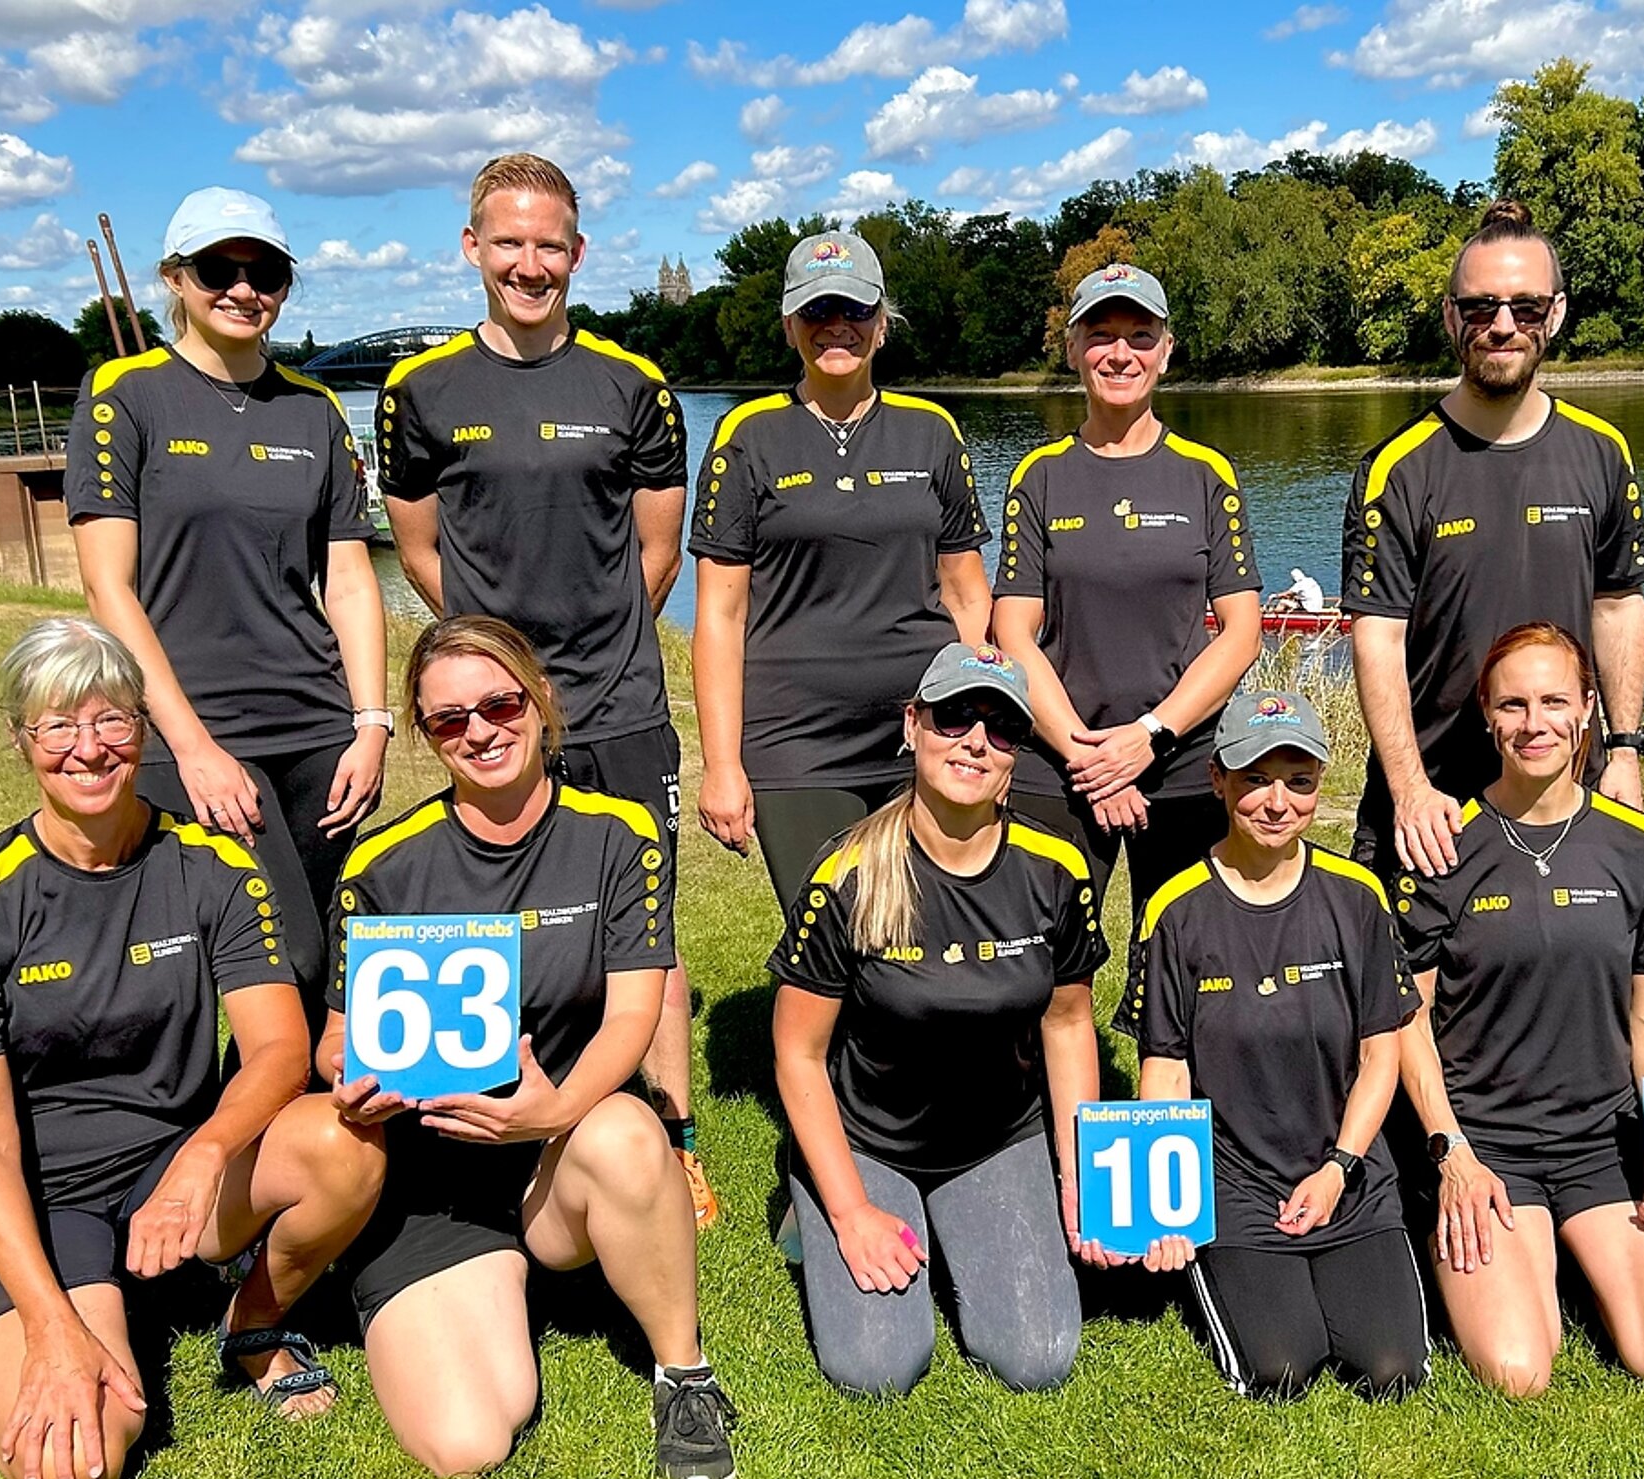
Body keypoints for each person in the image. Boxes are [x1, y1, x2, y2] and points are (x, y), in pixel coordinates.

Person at [0, 619, 382, 1479]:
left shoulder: (213, 865)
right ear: (22, 740)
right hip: (39, 1196)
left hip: (169, 1169)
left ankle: (252, 1319)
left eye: (113, 720)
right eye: (58, 726)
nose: (89, 748)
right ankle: (87, 1303)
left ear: (145, 727)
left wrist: (204, 1155)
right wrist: (50, 1326)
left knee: (342, 1142)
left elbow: (279, 1048)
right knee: (76, 1467)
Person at [318, 616, 737, 1479]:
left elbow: (634, 1012)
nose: (480, 729)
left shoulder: (620, 835)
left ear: (540, 700)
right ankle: (452, 1291)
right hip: (435, 1180)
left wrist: (551, 1110)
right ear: (428, 735)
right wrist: (349, 1084)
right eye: (448, 719)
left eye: (500, 702)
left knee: (627, 1132)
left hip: (561, 1146)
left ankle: (684, 1377)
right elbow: (336, 1037)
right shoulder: (383, 865)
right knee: (470, 1441)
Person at [377, 153, 712, 1229]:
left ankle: (670, 1133)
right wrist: (494, 668)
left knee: (643, 923)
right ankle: (495, 1110)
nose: (530, 263)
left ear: (578, 251)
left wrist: (593, 648)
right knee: (494, 904)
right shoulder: (418, 391)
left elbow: (658, 554)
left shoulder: (634, 386)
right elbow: (420, 549)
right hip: (491, 710)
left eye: (549, 243)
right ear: (472, 250)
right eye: (507, 242)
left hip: (618, 701)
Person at [70, 184, 388, 1025]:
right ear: (175, 277)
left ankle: (305, 1147)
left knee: (314, 958)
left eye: (267, 273)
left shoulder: (315, 410)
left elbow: (350, 580)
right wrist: (194, 745)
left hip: (320, 734)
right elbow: (110, 587)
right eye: (220, 269)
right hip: (199, 729)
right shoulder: (125, 394)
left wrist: (372, 723)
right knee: (283, 959)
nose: (245, 290)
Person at [1393, 625, 1644, 1406]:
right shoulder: (1446, 847)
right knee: (1519, 1371)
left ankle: (1580, 1260)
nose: (1533, 721)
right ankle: (1529, 1261)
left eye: (1552, 700)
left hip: (1605, 1148)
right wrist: (1452, 1155)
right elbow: (1408, 1019)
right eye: (1512, 703)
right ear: (1487, 714)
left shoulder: (1638, 845)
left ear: (1586, 710)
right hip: (1489, 1147)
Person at [770, 643, 1104, 1397]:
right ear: (913, 724)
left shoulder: (1058, 867)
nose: (975, 740)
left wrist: (1078, 1167)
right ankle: (816, 1201)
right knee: (877, 1367)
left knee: (1039, 1355)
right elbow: (796, 1053)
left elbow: (1069, 1022)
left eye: (1001, 726)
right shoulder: (845, 874)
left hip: (995, 1138)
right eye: (954, 715)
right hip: (872, 1143)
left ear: (1018, 751)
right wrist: (851, 1209)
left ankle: (960, 1222)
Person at [1118, 689, 1430, 1400]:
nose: (1277, 801)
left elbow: (1383, 1053)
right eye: (1256, 779)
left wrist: (1339, 1168)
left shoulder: (1357, 896)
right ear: (1218, 780)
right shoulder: (1175, 909)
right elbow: (1164, 1069)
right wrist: (1162, 1209)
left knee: (1392, 1371)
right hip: (1234, 1185)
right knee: (1279, 1369)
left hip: (1344, 1174)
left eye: (1299, 780)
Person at [1343, 199, 1644, 896]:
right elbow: (1378, 640)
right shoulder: (1397, 467)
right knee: (1416, 1005)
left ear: (1558, 313)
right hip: (1437, 807)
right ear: (1453, 317)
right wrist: (1409, 788)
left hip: (1572, 793)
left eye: (1527, 307)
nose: (1504, 326)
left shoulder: (1602, 452)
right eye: (1482, 308)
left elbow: (1616, 607)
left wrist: (1628, 752)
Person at [691, 231, 993, 914]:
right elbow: (719, 614)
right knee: (830, 932)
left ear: (882, 323)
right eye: (817, 311)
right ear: (789, 325)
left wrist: (979, 720)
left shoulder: (933, 430)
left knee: (929, 933)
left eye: (855, 310)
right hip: (794, 740)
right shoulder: (746, 435)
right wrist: (722, 764)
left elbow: (968, 592)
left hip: (926, 730)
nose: (837, 327)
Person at [993, 262, 1262, 939]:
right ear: (1073, 350)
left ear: (1167, 352)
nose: (1120, 353)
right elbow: (1013, 633)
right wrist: (1092, 760)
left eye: (1140, 335)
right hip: (1059, 762)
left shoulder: (1206, 474)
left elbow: (1241, 633)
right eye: (1101, 334)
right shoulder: (1039, 476)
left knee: (1190, 960)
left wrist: (1149, 737)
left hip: (1180, 762)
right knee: (1039, 962)